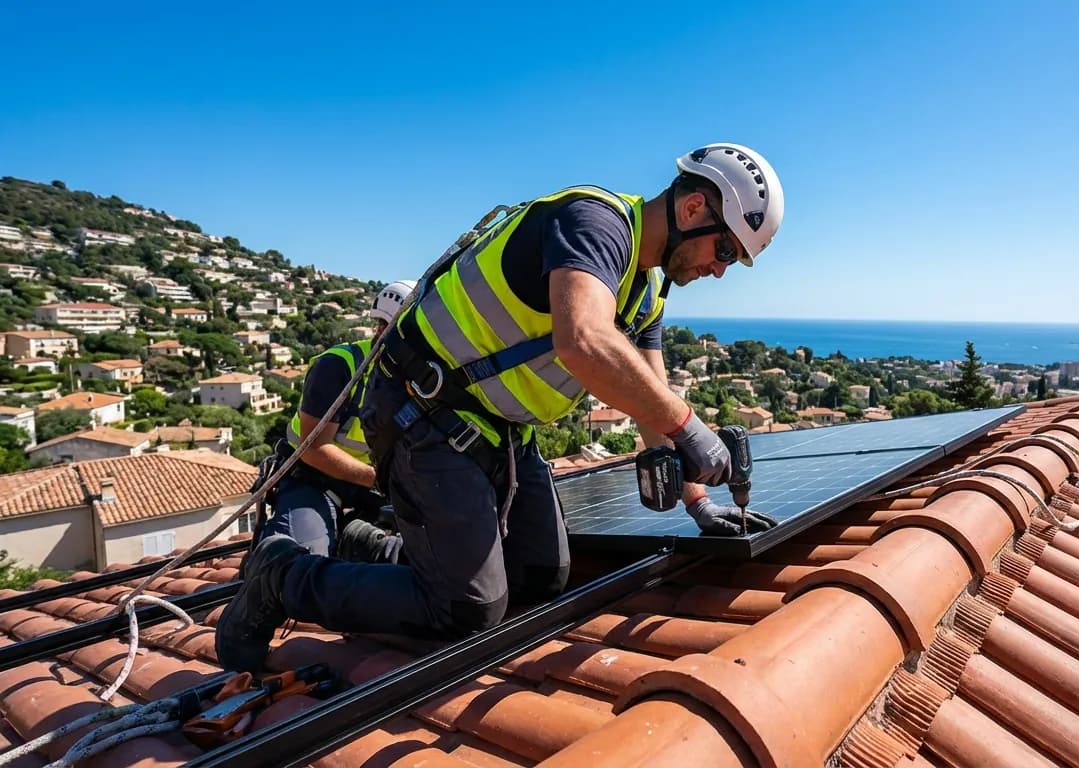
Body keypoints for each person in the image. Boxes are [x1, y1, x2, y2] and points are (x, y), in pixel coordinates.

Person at [217, 143, 784, 672]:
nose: (720, 269)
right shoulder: (594, 223)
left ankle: (369, 545)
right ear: (691, 207)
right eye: (726, 250)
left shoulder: (646, 292)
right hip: (423, 409)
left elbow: (651, 400)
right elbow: (583, 339)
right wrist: (689, 426)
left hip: (498, 427)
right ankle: (280, 576)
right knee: (466, 611)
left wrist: (698, 501)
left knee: (543, 576)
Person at [256, 281, 414, 562]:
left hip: (368, 486)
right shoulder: (340, 366)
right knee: (302, 562)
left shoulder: (417, 380)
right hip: (313, 480)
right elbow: (314, 447)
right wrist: (382, 482)